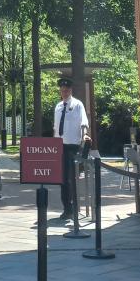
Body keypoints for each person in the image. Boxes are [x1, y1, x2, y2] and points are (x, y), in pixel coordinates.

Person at [52, 77, 90, 223]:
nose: (64, 92)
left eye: (67, 90)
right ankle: (66, 208)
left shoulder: (77, 105)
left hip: (72, 147)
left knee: (71, 178)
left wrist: (85, 135)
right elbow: (56, 128)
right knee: (62, 179)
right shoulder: (58, 106)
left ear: (71, 90)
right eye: (62, 90)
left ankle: (74, 208)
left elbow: (83, 122)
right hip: (59, 146)